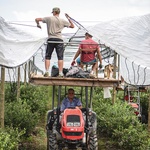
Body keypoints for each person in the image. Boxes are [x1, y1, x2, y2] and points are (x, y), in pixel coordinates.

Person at [35, 7, 74, 77]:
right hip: (59, 40)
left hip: (51, 39)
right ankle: (60, 73)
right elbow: (72, 26)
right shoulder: (62, 20)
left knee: (48, 56)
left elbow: (37, 19)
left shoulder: (49, 18)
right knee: (60, 57)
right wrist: (68, 18)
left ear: (54, 12)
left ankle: (47, 71)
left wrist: (38, 24)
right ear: (58, 13)